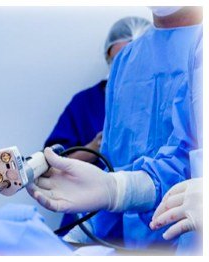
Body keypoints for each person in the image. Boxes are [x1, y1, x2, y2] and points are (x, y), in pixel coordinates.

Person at [30, 6, 201, 251]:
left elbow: (187, 164)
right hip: (131, 244)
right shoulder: (126, 61)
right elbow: (117, 164)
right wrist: (98, 216)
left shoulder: (198, 47)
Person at [43, 16, 152, 233]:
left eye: (135, 59)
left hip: (148, 224)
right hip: (86, 220)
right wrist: (94, 148)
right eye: (118, 61)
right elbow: (52, 165)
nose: (126, 69)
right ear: (108, 59)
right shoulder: (86, 103)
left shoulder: (165, 104)